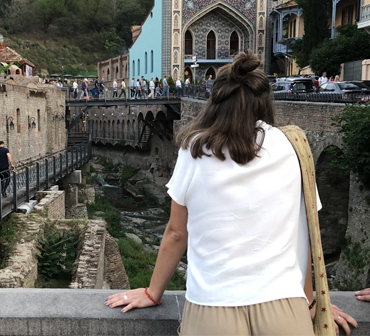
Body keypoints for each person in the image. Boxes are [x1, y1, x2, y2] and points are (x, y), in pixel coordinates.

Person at [105, 52, 354, 335]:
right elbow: (303, 234)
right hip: (284, 307)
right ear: (264, 102)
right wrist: (312, 304)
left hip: (213, 307)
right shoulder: (292, 145)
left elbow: (176, 233)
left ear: (215, 102)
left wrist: (152, 292)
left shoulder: (194, 149)